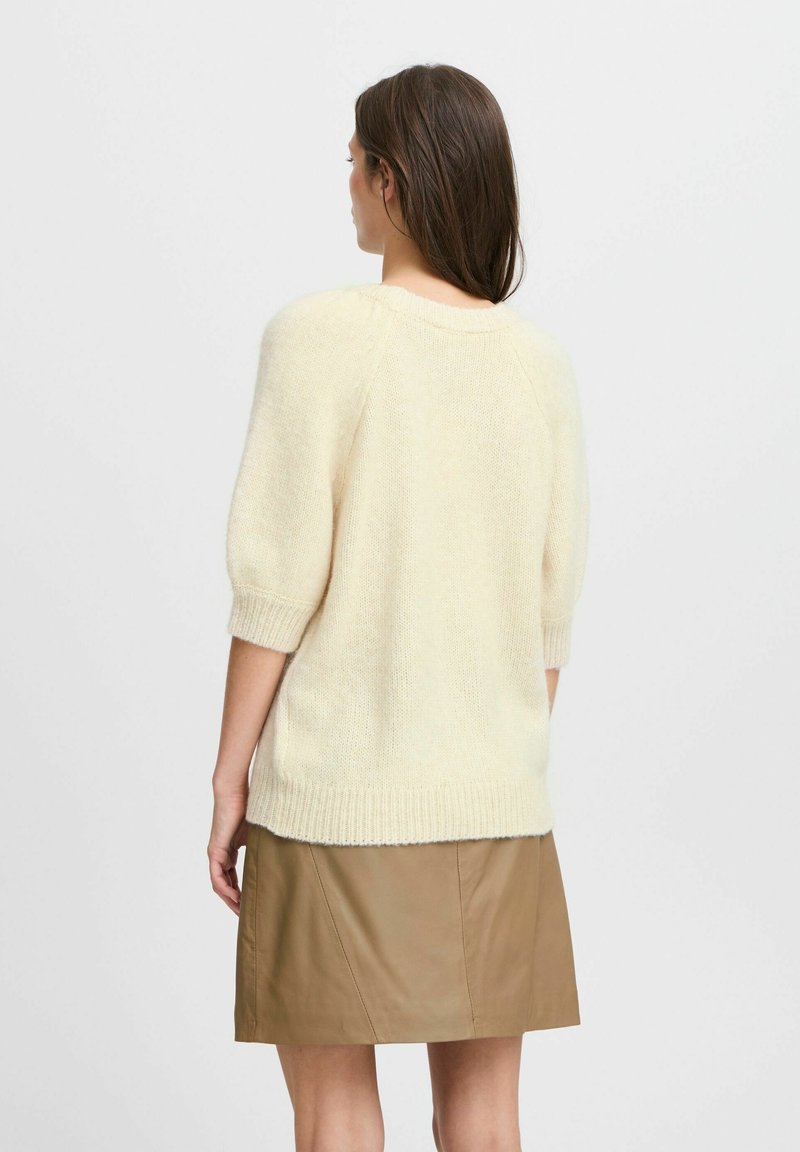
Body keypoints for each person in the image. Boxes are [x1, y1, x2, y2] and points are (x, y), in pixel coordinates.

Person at [208, 62, 590, 1152]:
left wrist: (230, 778)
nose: (347, 185)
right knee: (485, 1118)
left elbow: (275, 589)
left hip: (336, 805)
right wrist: (492, 755)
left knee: (333, 1116)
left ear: (392, 178)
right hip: (496, 804)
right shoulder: (538, 365)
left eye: (353, 163)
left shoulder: (317, 336)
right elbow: (548, 615)